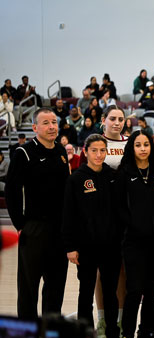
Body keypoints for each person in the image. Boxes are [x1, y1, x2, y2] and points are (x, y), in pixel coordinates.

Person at [5, 108, 70, 319]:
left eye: (54, 122)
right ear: (35, 128)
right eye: (46, 123)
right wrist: (20, 225)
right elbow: (12, 191)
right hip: (34, 228)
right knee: (29, 288)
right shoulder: (23, 153)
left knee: (56, 286)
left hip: (59, 230)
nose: (52, 127)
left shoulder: (61, 152)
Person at [62, 134, 121, 338]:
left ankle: (113, 330)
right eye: (94, 150)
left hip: (111, 246)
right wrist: (70, 247)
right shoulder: (76, 178)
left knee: (110, 293)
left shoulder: (112, 176)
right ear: (85, 152)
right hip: (85, 246)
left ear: (107, 152)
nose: (98, 154)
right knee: (85, 292)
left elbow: (120, 212)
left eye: (102, 150)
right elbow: (68, 215)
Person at [116, 130, 154, 337]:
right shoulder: (124, 172)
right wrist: (133, 226)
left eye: (146, 144)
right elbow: (120, 207)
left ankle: (149, 330)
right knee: (134, 290)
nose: (142, 149)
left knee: (151, 290)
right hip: (134, 242)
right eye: (138, 145)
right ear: (132, 147)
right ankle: (128, 332)